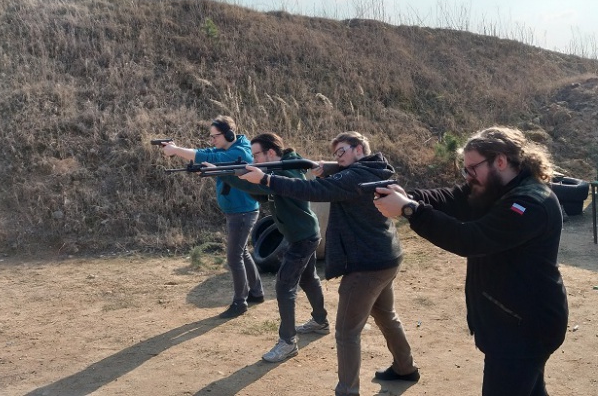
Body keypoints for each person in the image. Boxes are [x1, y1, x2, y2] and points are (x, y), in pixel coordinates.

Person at [372, 126, 569, 396]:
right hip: (513, 322)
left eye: (472, 168)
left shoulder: (529, 203)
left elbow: (471, 240)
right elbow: (452, 198)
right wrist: (410, 197)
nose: (468, 176)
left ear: (500, 161)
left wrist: (410, 210)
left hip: (525, 329)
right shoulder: (496, 189)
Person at [237, 131, 419, 396]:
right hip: (385, 257)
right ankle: (405, 368)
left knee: (346, 333)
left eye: (342, 151)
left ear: (359, 149)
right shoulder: (375, 168)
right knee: (385, 315)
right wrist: (330, 168)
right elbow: (340, 177)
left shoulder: (355, 177)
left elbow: (313, 190)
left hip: (366, 265)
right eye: (335, 154)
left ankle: (347, 391)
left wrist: (266, 179)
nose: (338, 157)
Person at [213, 132, 330, 363]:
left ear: (271, 153)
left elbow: (269, 187)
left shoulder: (287, 171)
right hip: (302, 235)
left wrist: (226, 174)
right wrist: (235, 175)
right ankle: (320, 321)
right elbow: (262, 194)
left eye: (257, 155)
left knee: (284, 286)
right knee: (308, 279)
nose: (254, 160)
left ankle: (288, 342)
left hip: (303, 238)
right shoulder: (277, 172)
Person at [159, 115, 264, 319]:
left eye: (215, 136)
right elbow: (208, 154)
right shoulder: (227, 149)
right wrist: (182, 152)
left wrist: (176, 150)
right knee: (242, 253)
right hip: (238, 211)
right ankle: (257, 292)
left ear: (229, 135)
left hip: (242, 212)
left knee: (234, 257)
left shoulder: (241, 152)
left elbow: (213, 158)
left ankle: (240, 302)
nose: (212, 140)